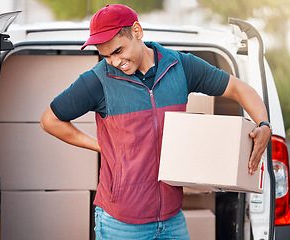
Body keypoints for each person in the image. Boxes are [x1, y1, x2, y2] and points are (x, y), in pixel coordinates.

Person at [40, 4, 271, 240]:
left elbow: (238, 88)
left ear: (137, 31)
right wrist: (100, 144)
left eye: (118, 50)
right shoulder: (97, 80)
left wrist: (263, 124)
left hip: (172, 218)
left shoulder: (180, 66)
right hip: (121, 224)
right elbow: (50, 120)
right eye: (106, 55)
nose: (114, 61)